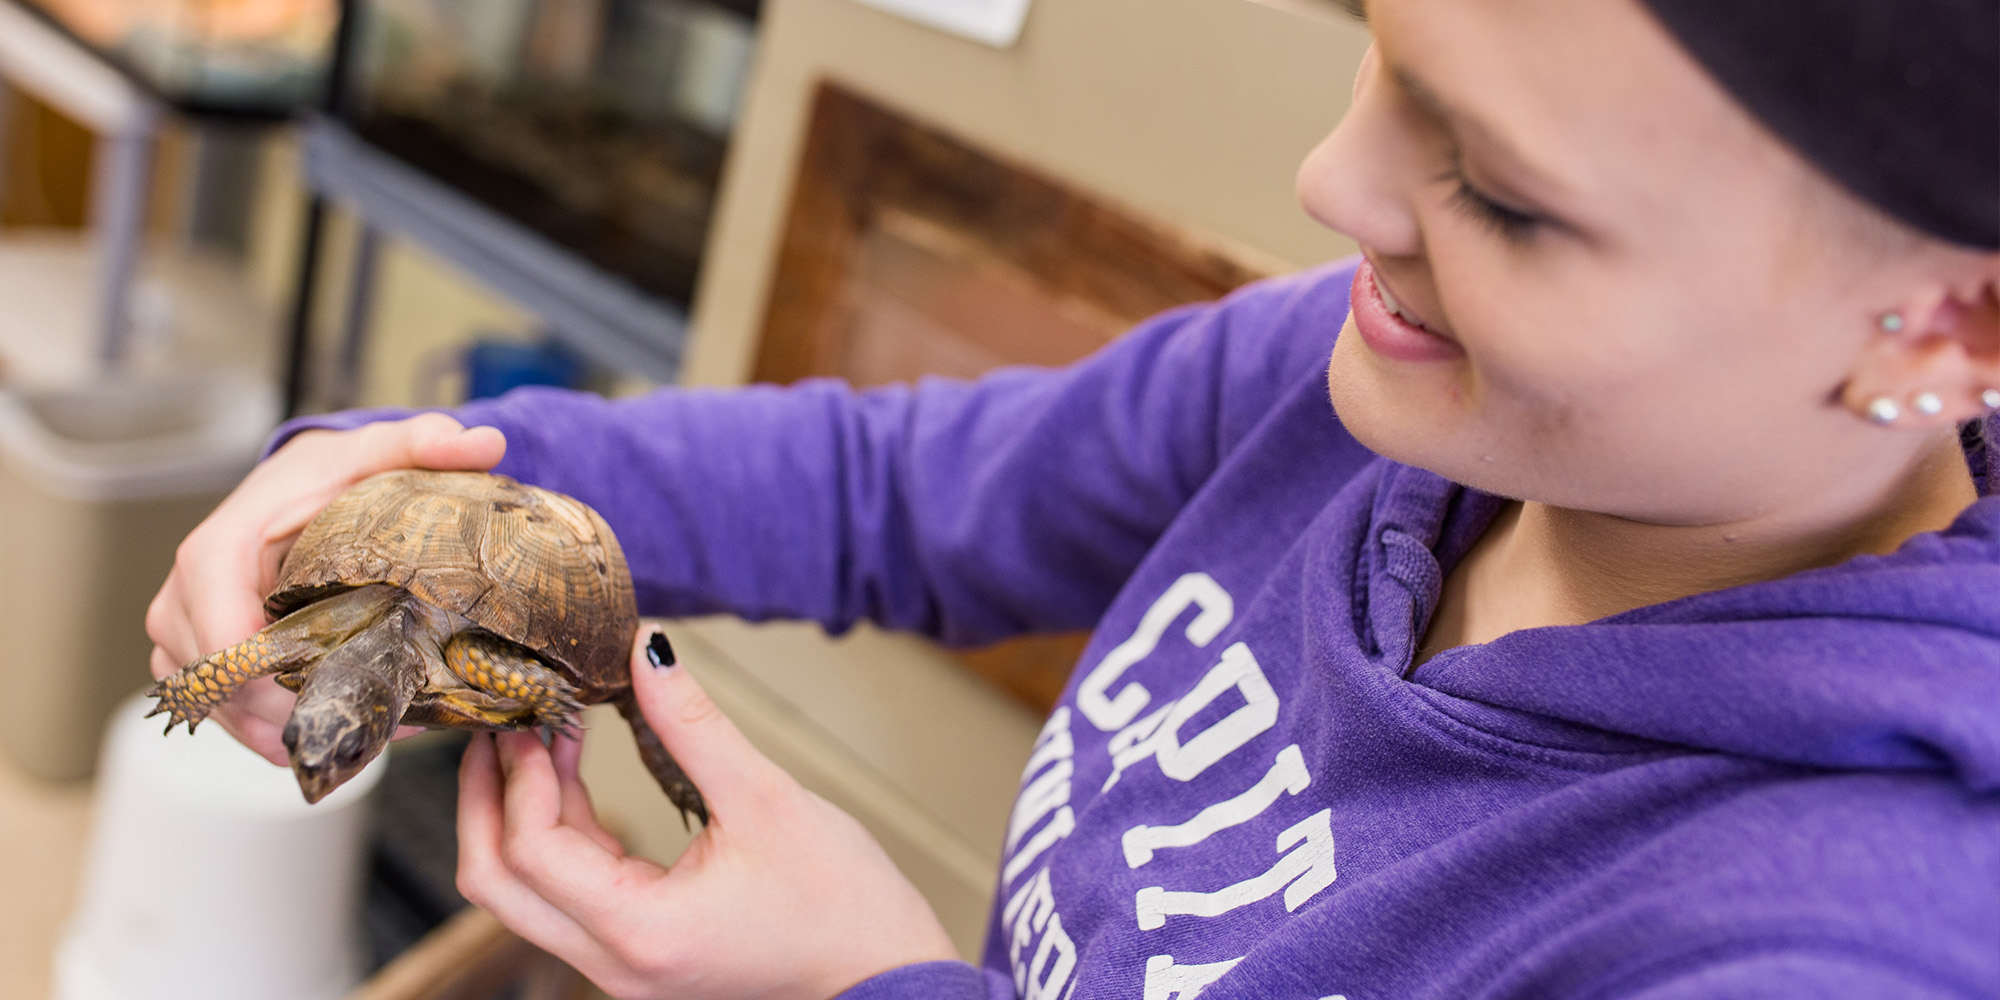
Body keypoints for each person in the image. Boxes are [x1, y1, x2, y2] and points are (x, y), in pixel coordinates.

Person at [147, 0, 1999, 996]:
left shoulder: (1833, 938)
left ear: (1949, 313)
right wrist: (377, 481)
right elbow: (885, 493)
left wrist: (857, 985)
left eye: (1500, 191)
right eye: (1382, 47)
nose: (1332, 180)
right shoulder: (1343, 382)